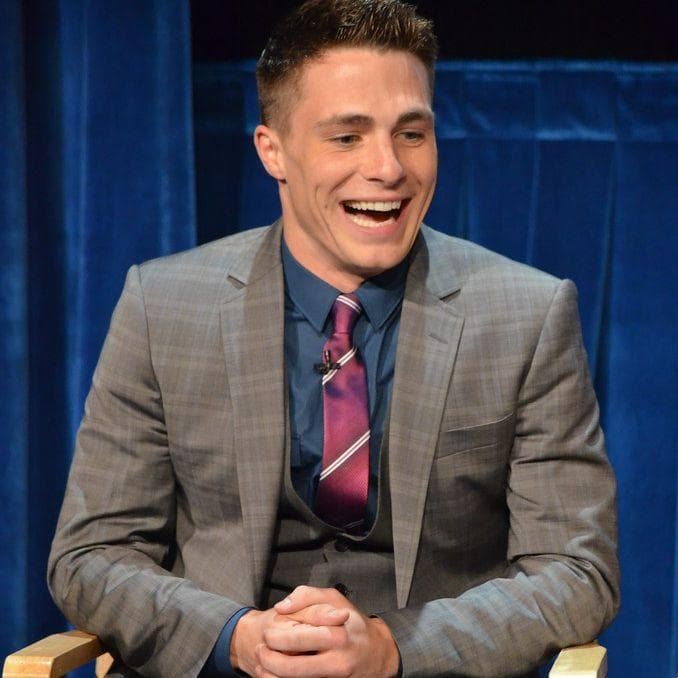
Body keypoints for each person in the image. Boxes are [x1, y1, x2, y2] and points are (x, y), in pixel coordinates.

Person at [47, 0, 619, 676]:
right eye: (347, 137)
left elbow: (577, 572)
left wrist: (393, 649)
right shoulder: (163, 307)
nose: (388, 168)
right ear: (274, 151)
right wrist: (237, 638)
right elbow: (91, 556)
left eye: (411, 133)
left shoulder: (526, 314)